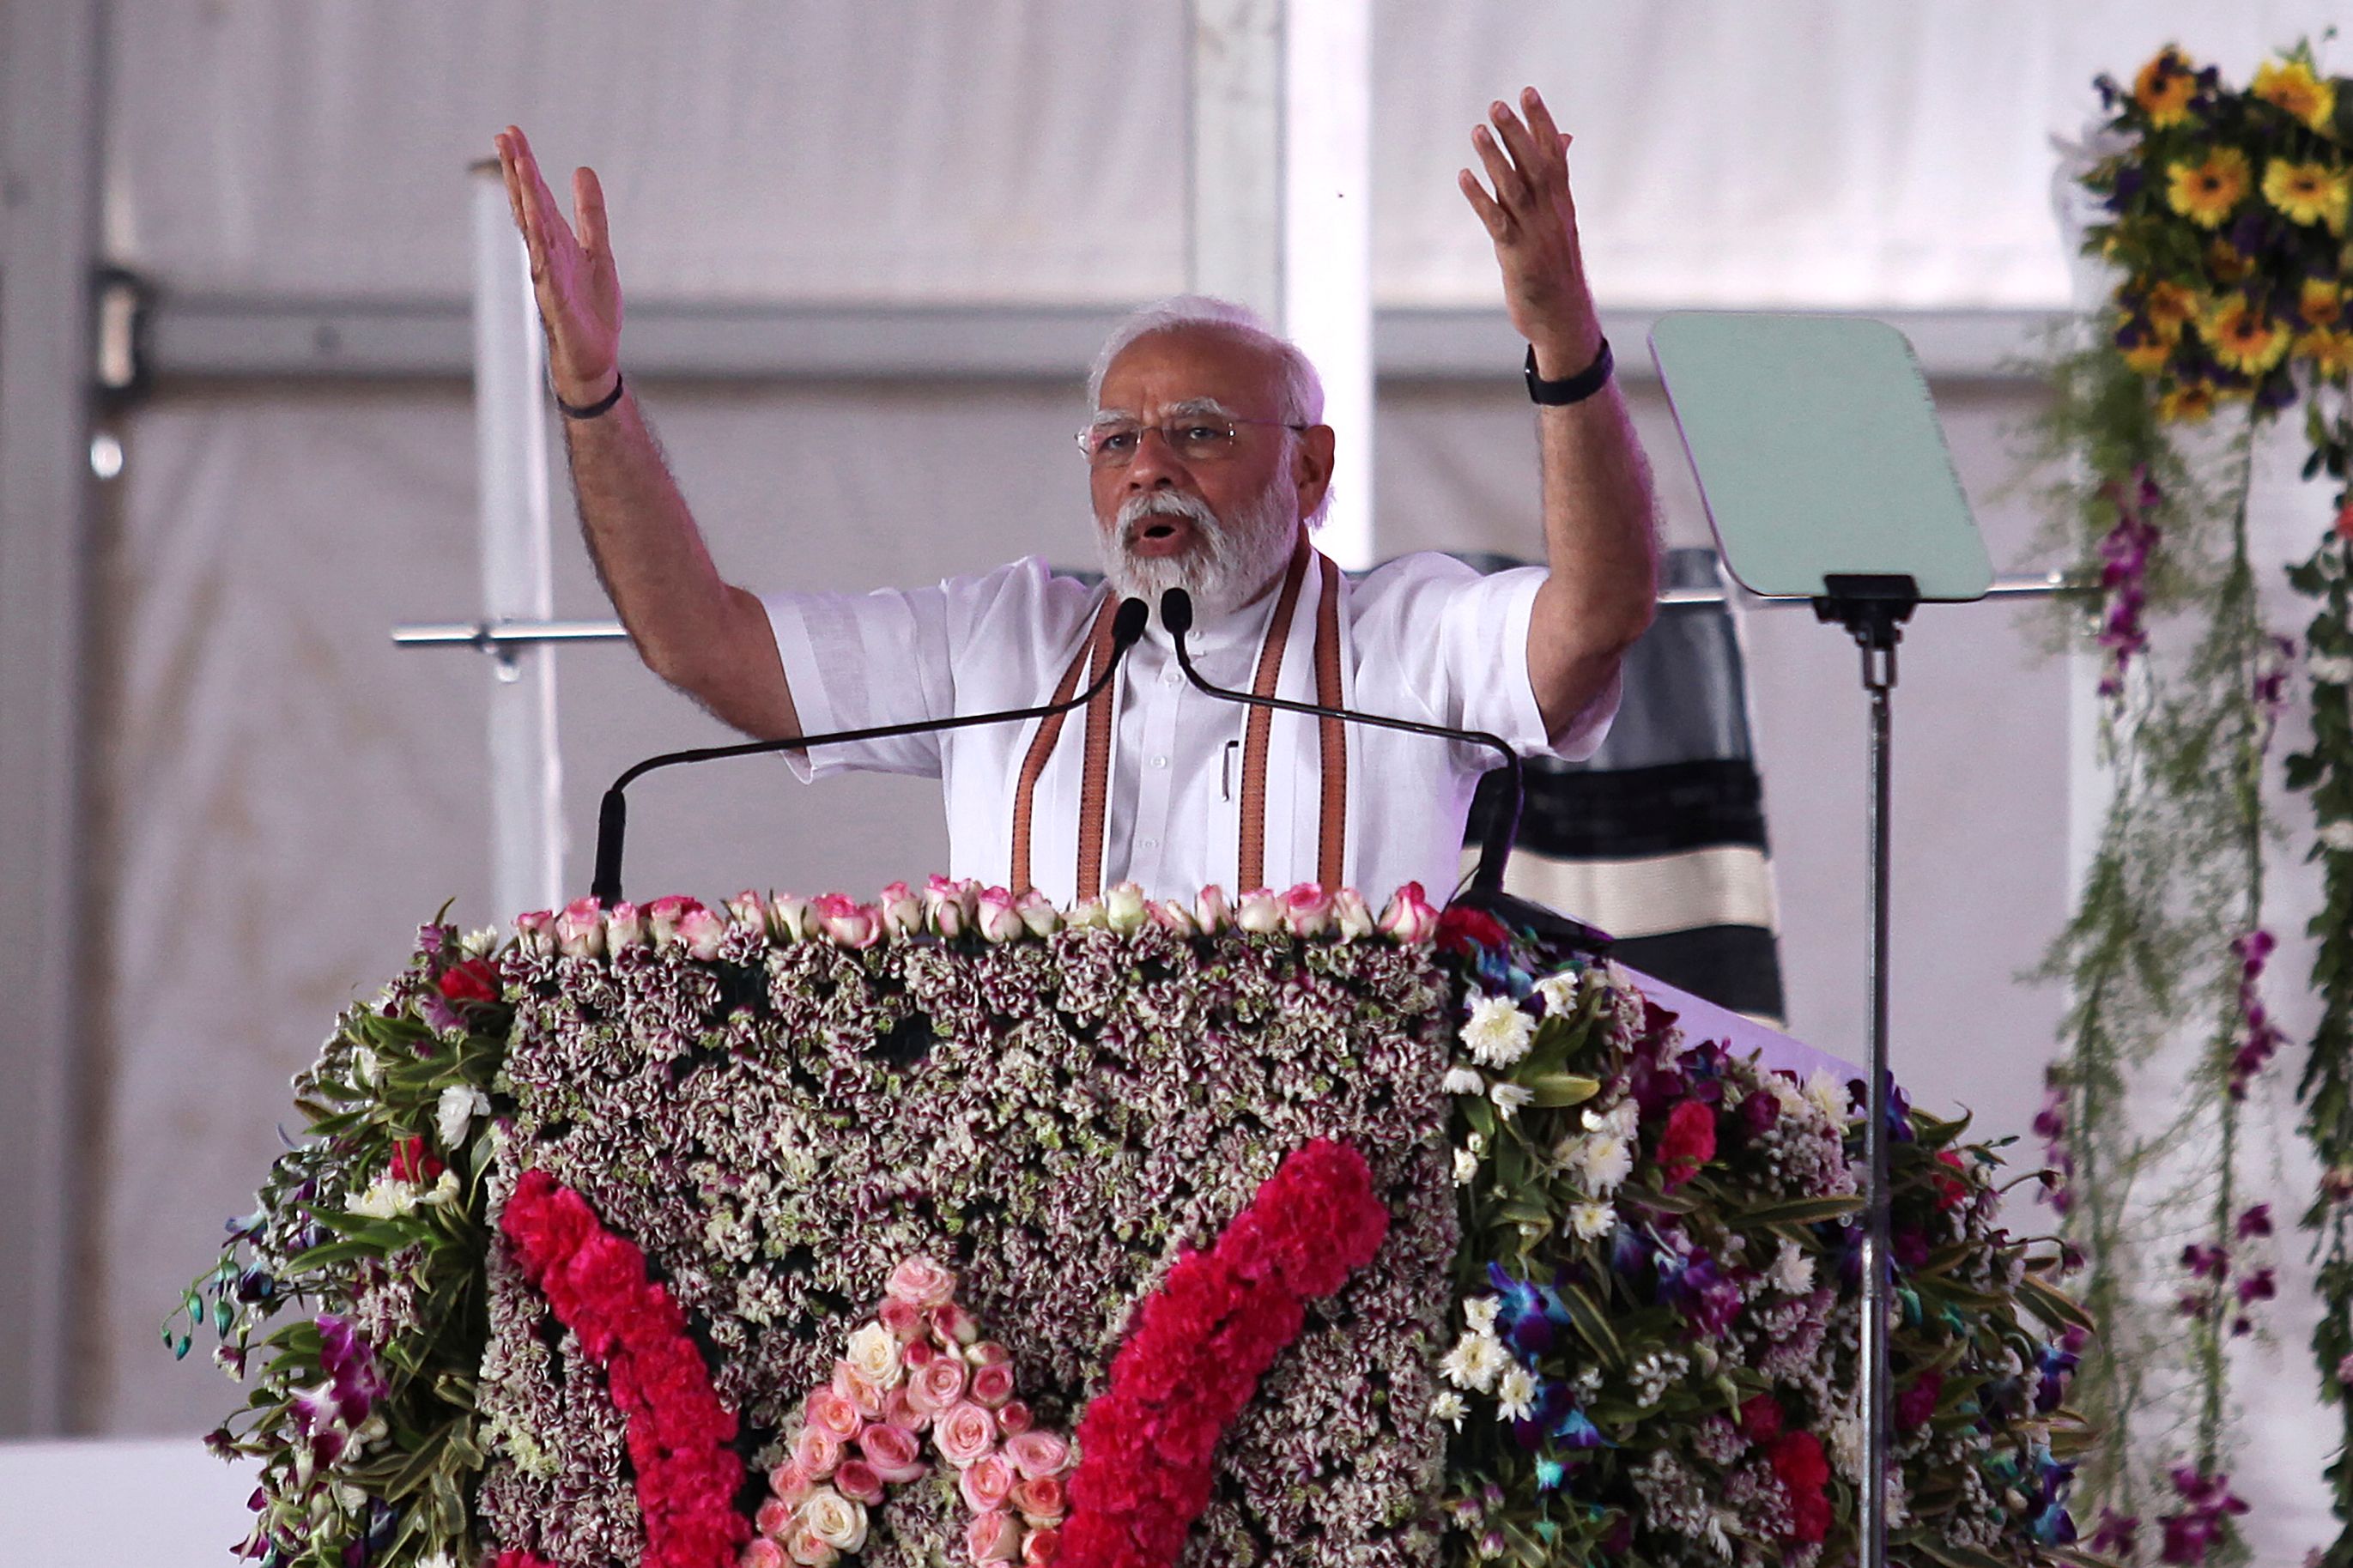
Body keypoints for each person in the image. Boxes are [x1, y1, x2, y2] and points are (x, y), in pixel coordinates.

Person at [492, 87, 1658, 909]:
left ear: (1308, 469)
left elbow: (1596, 614)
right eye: (1116, 440)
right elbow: (700, 641)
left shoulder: (1404, 641)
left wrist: (1562, 337)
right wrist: (594, 393)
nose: (1149, 464)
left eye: (1199, 432)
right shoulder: (1001, 644)